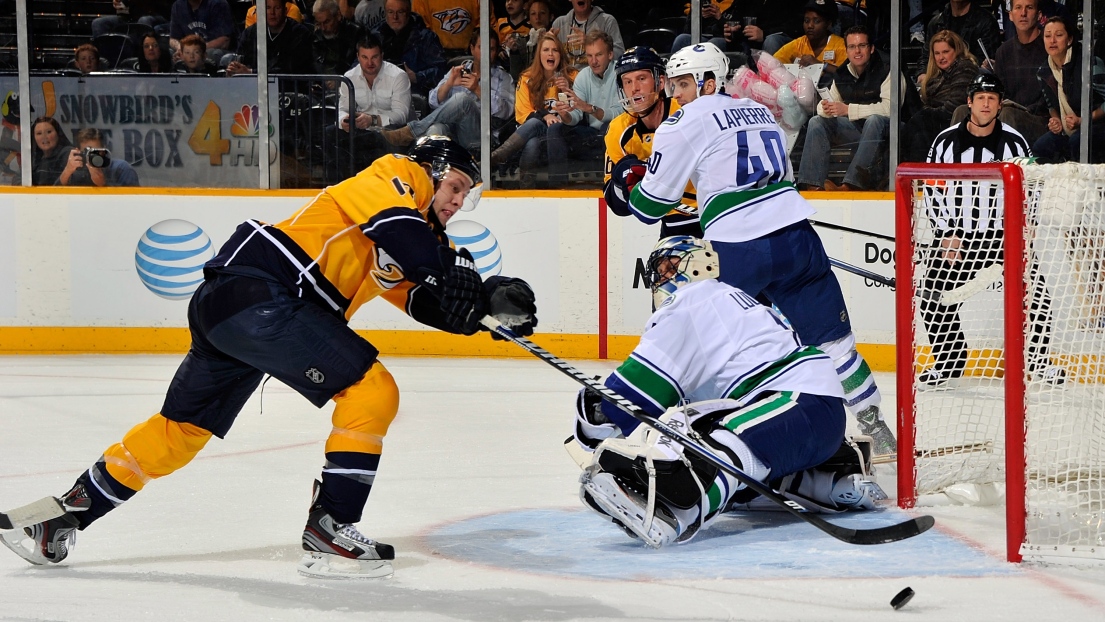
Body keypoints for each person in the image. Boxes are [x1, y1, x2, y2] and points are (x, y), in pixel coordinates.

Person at [0, 137, 538, 578]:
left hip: (229, 305)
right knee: (373, 391)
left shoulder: (407, 237)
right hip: (264, 294)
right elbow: (405, 233)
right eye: (457, 186)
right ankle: (332, 524)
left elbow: (423, 298)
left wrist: (487, 315)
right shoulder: (400, 175)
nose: (455, 202)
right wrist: (456, 271)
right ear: (433, 168)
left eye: (465, 196)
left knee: (179, 431)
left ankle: (59, 517)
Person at [623, 43, 897, 456]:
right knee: (834, 343)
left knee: (727, 348)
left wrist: (629, 181)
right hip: (798, 238)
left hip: (740, 249)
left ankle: (717, 438)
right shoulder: (758, 112)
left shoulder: (684, 119)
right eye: (674, 84)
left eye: (683, 83)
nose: (675, 93)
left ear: (708, 82)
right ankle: (876, 430)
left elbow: (649, 207)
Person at [573, 236, 885, 547]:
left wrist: (593, 412)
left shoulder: (691, 300)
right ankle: (828, 482)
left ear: (700, 264)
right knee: (695, 430)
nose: (662, 278)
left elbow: (632, 397)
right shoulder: (729, 298)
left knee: (721, 443)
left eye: (670, 267)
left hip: (798, 403)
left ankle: (677, 515)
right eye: (659, 271)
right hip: (809, 418)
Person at [921, 73, 1061, 386]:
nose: (986, 103)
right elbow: (933, 188)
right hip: (957, 238)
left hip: (1002, 237)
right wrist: (945, 233)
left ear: (999, 105)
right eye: (980, 98)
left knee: (1036, 295)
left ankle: (1038, 360)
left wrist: (1024, 226)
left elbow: (1030, 188)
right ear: (969, 102)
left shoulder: (1014, 141)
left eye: (992, 98)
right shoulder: (945, 142)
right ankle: (949, 362)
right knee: (932, 297)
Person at [603, 46, 700, 238]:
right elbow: (617, 206)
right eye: (627, 81)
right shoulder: (619, 131)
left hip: (710, 218)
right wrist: (623, 183)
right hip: (672, 225)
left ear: (660, 81)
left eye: (641, 78)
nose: (634, 88)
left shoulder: (689, 115)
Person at [379, 28, 514, 153]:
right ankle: (431, 175)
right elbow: (433, 102)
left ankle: (412, 131)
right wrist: (448, 84)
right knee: (435, 130)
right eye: (481, 48)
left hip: (481, 138)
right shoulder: (458, 70)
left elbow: (507, 112)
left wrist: (478, 90)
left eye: (491, 49)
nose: (486, 53)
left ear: (496, 52)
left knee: (462, 100)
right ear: (472, 49)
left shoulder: (503, 77)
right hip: (453, 134)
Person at [796, 26, 892, 192]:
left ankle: (851, 185)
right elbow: (832, 102)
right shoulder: (842, 72)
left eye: (862, 45)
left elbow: (890, 110)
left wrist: (848, 110)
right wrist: (825, 108)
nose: (858, 51)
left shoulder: (888, 68)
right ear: (846, 50)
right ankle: (812, 185)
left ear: (872, 48)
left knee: (875, 120)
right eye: (852, 47)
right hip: (860, 129)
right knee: (817, 121)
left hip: (893, 131)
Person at [488, 31, 577, 186]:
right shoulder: (527, 78)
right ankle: (526, 189)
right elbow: (522, 115)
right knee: (533, 138)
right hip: (536, 132)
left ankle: (499, 156)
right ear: (539, 54)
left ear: (560, 54)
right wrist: (545, 116)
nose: (550, 54)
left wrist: (567, 88)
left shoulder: (573, 76)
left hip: (563, 133)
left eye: (555, 50)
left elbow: (578, 111)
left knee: (534, 139)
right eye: (546, 50)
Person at [326, 33, 412, 179]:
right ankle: (340, 185)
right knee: (329, 134)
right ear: (358, 56)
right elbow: (342, 109)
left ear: (382, 56)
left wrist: (373, 119)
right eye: (365, 57)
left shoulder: (398, 76)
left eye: (374, 57)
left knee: (375, 140)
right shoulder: (349, 77)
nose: (369, 63)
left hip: (390, 131)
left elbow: (401, 115)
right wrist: (344, 121)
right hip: (362, 131)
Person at [544, 30, 619, 183]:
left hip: (615, 130)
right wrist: (566, 114)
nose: (593, 61)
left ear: (610, 55)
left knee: (608, 127)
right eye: (589, 56)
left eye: (598, 55)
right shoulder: (583, 75)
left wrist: (590, 108)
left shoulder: (621, 73)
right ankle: (558, 187)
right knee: (555, 129)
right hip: (591, 132)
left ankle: (611, 183)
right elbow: (577, 115)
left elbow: (620, 113)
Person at [978, 0, 1057, 146]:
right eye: (1018, 8)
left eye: (1029, 8)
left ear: (1039, 15)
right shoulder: (1004, 51)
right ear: (1010, 15)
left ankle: (1003, 164)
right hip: (1008, 112)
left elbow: (1053, 95)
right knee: (964, 111)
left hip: (1040, 119)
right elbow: (999, 91)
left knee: (1007, 114)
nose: (1023, 13)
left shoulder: (1049, 47)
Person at [1033, 17, 1105, 163]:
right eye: (1047, 36)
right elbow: (1051, 105)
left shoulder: (1090, 64)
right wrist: (1056, 121)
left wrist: (1084, 120)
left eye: (1059, 35)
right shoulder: (1043, 72)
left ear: (1070, 40)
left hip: (1097, 124)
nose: (1052, 40)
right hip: (1069, 129)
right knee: (1041, 147)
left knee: (1077, 142)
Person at [901, 29, 979, 163]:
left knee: (917, 125)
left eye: (945, 52)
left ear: (957, 50)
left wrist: (926, 113)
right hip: (934, 122)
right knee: (909, 129)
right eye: (937, 53)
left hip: (954, 122)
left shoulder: (965, 67)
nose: (941, 57)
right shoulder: (937, 73)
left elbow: (954, 106)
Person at [373, 0, 447, 98]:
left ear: (408, 13)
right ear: (385, 13)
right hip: (378, 92)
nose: (395, 17)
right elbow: (357, 66)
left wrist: (416, 77)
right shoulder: (374, 36)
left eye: (400, 12)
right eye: (390, 12)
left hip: (415, 94)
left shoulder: (426, 38)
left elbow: (442, 70)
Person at [226, 0, 315, 75]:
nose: (272, 13)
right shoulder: (249, 34)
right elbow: (240, 59)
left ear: (285, 11)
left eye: (277, 8)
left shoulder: (300, 34)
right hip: (252, 89)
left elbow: (290, 70)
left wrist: (251, 72)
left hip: (290, 91)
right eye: (268, 8)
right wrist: (234, 70)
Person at [772, 0, 847, 75]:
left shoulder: (841, 45)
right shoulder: (798, 44)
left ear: (828, 24)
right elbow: (773, 64)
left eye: (817, 21)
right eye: (806, 21)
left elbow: (847, 75)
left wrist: (821, 65)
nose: (810, 26)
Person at [548, 0, 624, 70]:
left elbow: (619, 54)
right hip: (565, 81)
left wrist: (591, 43)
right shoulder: (559, 24)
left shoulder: (607, 21)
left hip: (596, 80)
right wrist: (546, 42)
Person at [925, 0, 1001, 65]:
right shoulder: (936, 23)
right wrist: (922, 74)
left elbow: (985, 62)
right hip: (940, 78)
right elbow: (926, 56)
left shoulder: (986, 21)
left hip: (971, 77)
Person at [56, 128, 140, 187]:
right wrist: (67, 172)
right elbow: (52, 199)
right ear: (79, 152)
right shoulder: (76, 172)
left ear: (104, 149)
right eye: (88, 152)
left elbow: (133, 203)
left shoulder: (121, 169)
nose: (93, 156)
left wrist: (103, 185)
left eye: (96, 151)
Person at [412, 0, 489, 56]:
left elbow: (488, 28)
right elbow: (420, 31)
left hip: (471, 56)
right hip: (437, 58)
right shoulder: (421, 2)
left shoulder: (482, 2)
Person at [169, 0, 235, 60]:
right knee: (170, 54)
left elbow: (224, 41)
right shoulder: (178, 6)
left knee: (211, 54)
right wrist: (180, 49)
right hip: (188, 49)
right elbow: (173, 39)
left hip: (211, 50)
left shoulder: (218, 4)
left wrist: (196, 50)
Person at [313, 0, 363, 76]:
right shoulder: (317, 37)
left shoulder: (356, 33)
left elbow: (360, 64)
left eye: (326, 22)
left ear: (338, 16)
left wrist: (339, 77)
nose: (323, 28)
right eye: (319, 23)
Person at [30, 116, 72, 186]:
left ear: (58, 134)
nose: (44, 137)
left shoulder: (68, 154)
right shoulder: (34, 159)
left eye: (49, 132)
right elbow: (18, 178)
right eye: (39, 133)